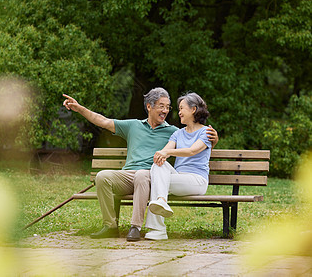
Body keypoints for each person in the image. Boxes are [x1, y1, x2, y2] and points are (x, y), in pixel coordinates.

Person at [62, 88, 218, 241]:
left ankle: (135, 227)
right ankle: (110, 226)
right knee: (102, 176)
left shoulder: (171, 130)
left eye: (168, 107)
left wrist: (214, 141)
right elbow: (103, 121)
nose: (166, 111)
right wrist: (79, 108)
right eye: (161, 106)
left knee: (143, 174)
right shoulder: (134, 126)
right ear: (149, 106)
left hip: (148, 176)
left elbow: (194, 143)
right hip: (129, 175)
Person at [148, 92, 212, 230]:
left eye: (182, 108)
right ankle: (161, 201)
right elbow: (162, 154)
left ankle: (157, 229)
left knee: (157, 179)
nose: (179, 113)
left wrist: (167, 152)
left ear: (193, 109)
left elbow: (191, 151)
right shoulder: (178, 133)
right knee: (158, 166)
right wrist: (161, 154)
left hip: (197, 181)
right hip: (180, 178)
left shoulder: (206, 132)